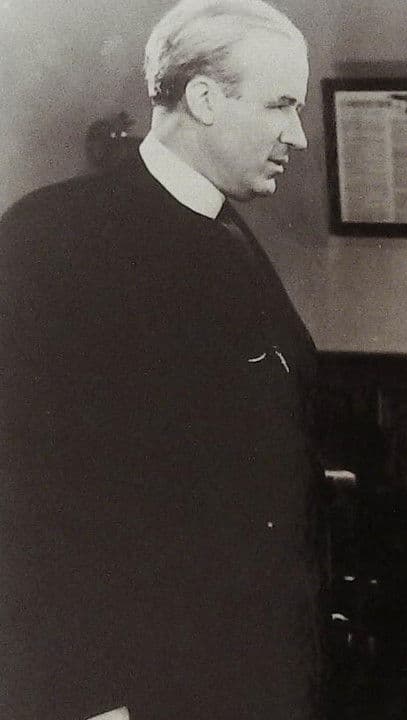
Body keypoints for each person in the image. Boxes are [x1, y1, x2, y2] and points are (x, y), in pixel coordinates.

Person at [0, 1, 323, 718]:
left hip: (249, 675)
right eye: (280, 106)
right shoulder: (53, 237)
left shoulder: (226, 231)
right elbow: (28, 495)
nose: (297, 136)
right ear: (204, 98)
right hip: (136, 688)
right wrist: (87, 698)